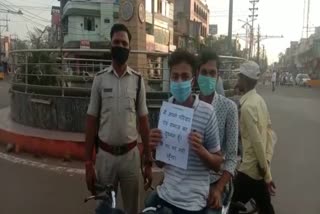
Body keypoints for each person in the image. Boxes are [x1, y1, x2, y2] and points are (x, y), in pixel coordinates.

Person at [85, 23, 152, 214]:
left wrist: (148, 161)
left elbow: (144, 123)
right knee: (105, 208)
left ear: (129, 48)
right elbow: (91, 122)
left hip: (131, 158)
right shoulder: (99, 79)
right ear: (110, 45)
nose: (120, 46)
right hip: (104, 158)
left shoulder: (138, 81)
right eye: (116, 42)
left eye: (124, 43)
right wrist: (88, 163)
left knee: (134, 209)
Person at [147, 49, 223, 214]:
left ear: (192, 80)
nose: (179, 81)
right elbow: (161, 163)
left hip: (194, 203)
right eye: (175, 77)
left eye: (185, 76)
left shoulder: (207, 112)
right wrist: (154, 147)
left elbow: (217, 164)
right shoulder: (166, 109)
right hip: (166, 193)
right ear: (170, 79)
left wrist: (201, 150)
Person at [195, 49, 238, 214]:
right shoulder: (187, 105)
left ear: (218, 76)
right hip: (189, 180)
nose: (208, 77)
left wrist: (219, 189)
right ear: (197, 73)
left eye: (212, 73)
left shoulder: (229, 108)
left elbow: (232, 158)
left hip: (215, 181)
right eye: (204, 72)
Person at [229, 61, 276, 214]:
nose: (237, 80)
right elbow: (270, 134)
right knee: (266, 208)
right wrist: (266, 165)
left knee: (228, 204)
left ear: (245, 79)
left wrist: (267, 175)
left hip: (249, 171)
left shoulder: (248, 107)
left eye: (239, 77)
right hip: (258, 169)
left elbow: (257, 143)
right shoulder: (259, 101)